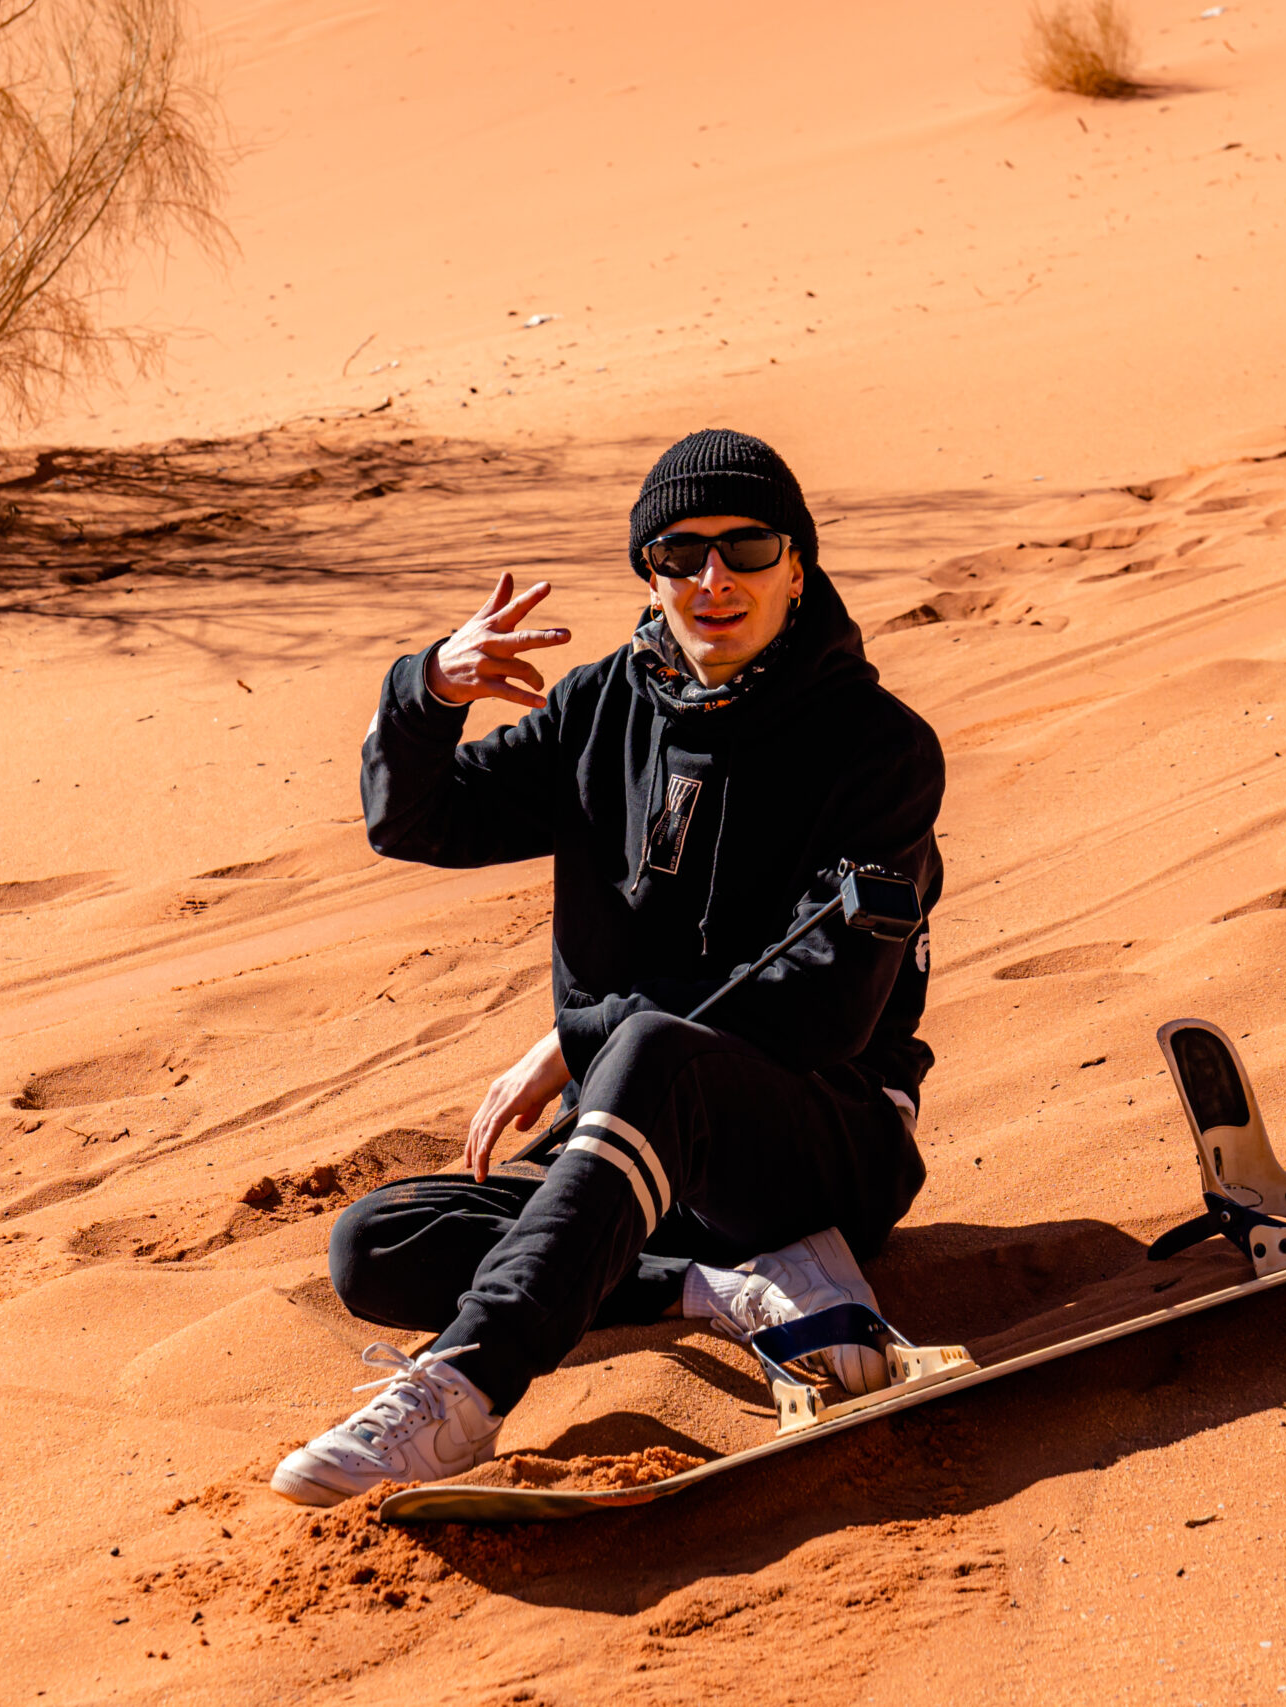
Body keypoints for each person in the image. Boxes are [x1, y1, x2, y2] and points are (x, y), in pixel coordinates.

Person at [272, 429, 946, 1507]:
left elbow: (825, 1007)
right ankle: (723, 1291)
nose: (711, 578)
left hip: (815, 1139)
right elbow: (417, 821)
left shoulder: (878, 749)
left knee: (654, 1052)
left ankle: (462, 1391)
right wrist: (425, 694)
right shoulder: (599, 709)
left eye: (747, 547)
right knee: (375, 1244)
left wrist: (580, 1038)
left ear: (797, 566)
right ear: (649, 573)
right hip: (633, 1151)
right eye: (678, 553)